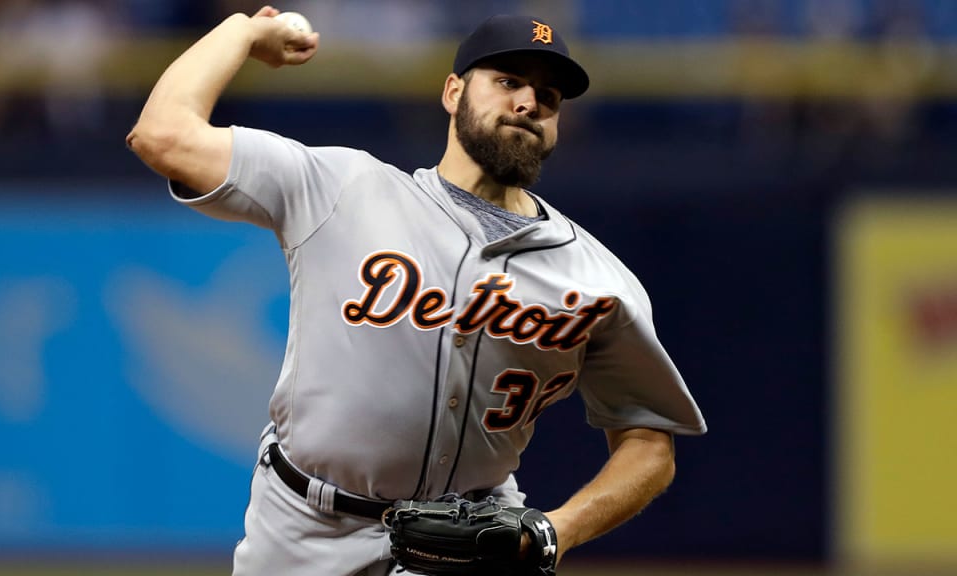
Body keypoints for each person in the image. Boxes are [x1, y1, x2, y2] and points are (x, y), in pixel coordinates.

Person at [126, 7, 707, 576]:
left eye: (548, 96)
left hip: (474, 542)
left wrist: (557, 530)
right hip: (302, 529)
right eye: (508, 82)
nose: (529, 102)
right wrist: (244, 31)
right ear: (453, 92)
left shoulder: (598, 280)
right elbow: (162, 136)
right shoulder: (341, 187)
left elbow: (649, 443)